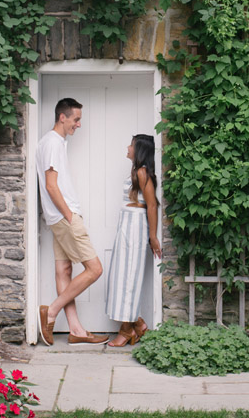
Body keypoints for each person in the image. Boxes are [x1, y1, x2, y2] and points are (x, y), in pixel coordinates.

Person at [35, 98, 108, 345]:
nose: (78, 124)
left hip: (56, 218)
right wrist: (69, 215)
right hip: (64, 217)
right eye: (76, 119)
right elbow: (51, 186)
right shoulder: (54, 143)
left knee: (64, 270)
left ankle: (76, 330)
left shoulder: (50, 142)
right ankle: (51, 311)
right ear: (62, 117)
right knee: (95, 269)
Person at [104, 134, 162, 347]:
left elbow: (152, 205)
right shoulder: (136, 172)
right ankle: (138, 323)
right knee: (120, 277)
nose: (127, 147)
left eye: (131, 144)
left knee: (128, 278)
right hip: (126, 225)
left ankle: (127, 330)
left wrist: (153, 237)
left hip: (136, 227)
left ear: (139, 150)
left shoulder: (142, 172)